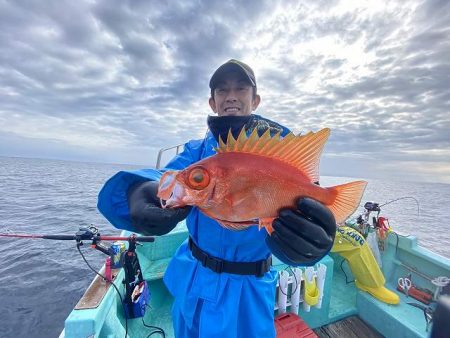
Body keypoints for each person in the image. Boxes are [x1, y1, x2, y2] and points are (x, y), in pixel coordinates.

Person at [98, 59, 336, 337]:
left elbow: (306, 199)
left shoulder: (279, 150)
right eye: (222, 90)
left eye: (241, 89)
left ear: (255, 99)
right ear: (212, 102)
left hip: (248, 289)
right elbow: (165, 175)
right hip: (194, 278)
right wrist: (137, 190)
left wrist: (308, 245)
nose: (231, 96)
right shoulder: (198, 153)